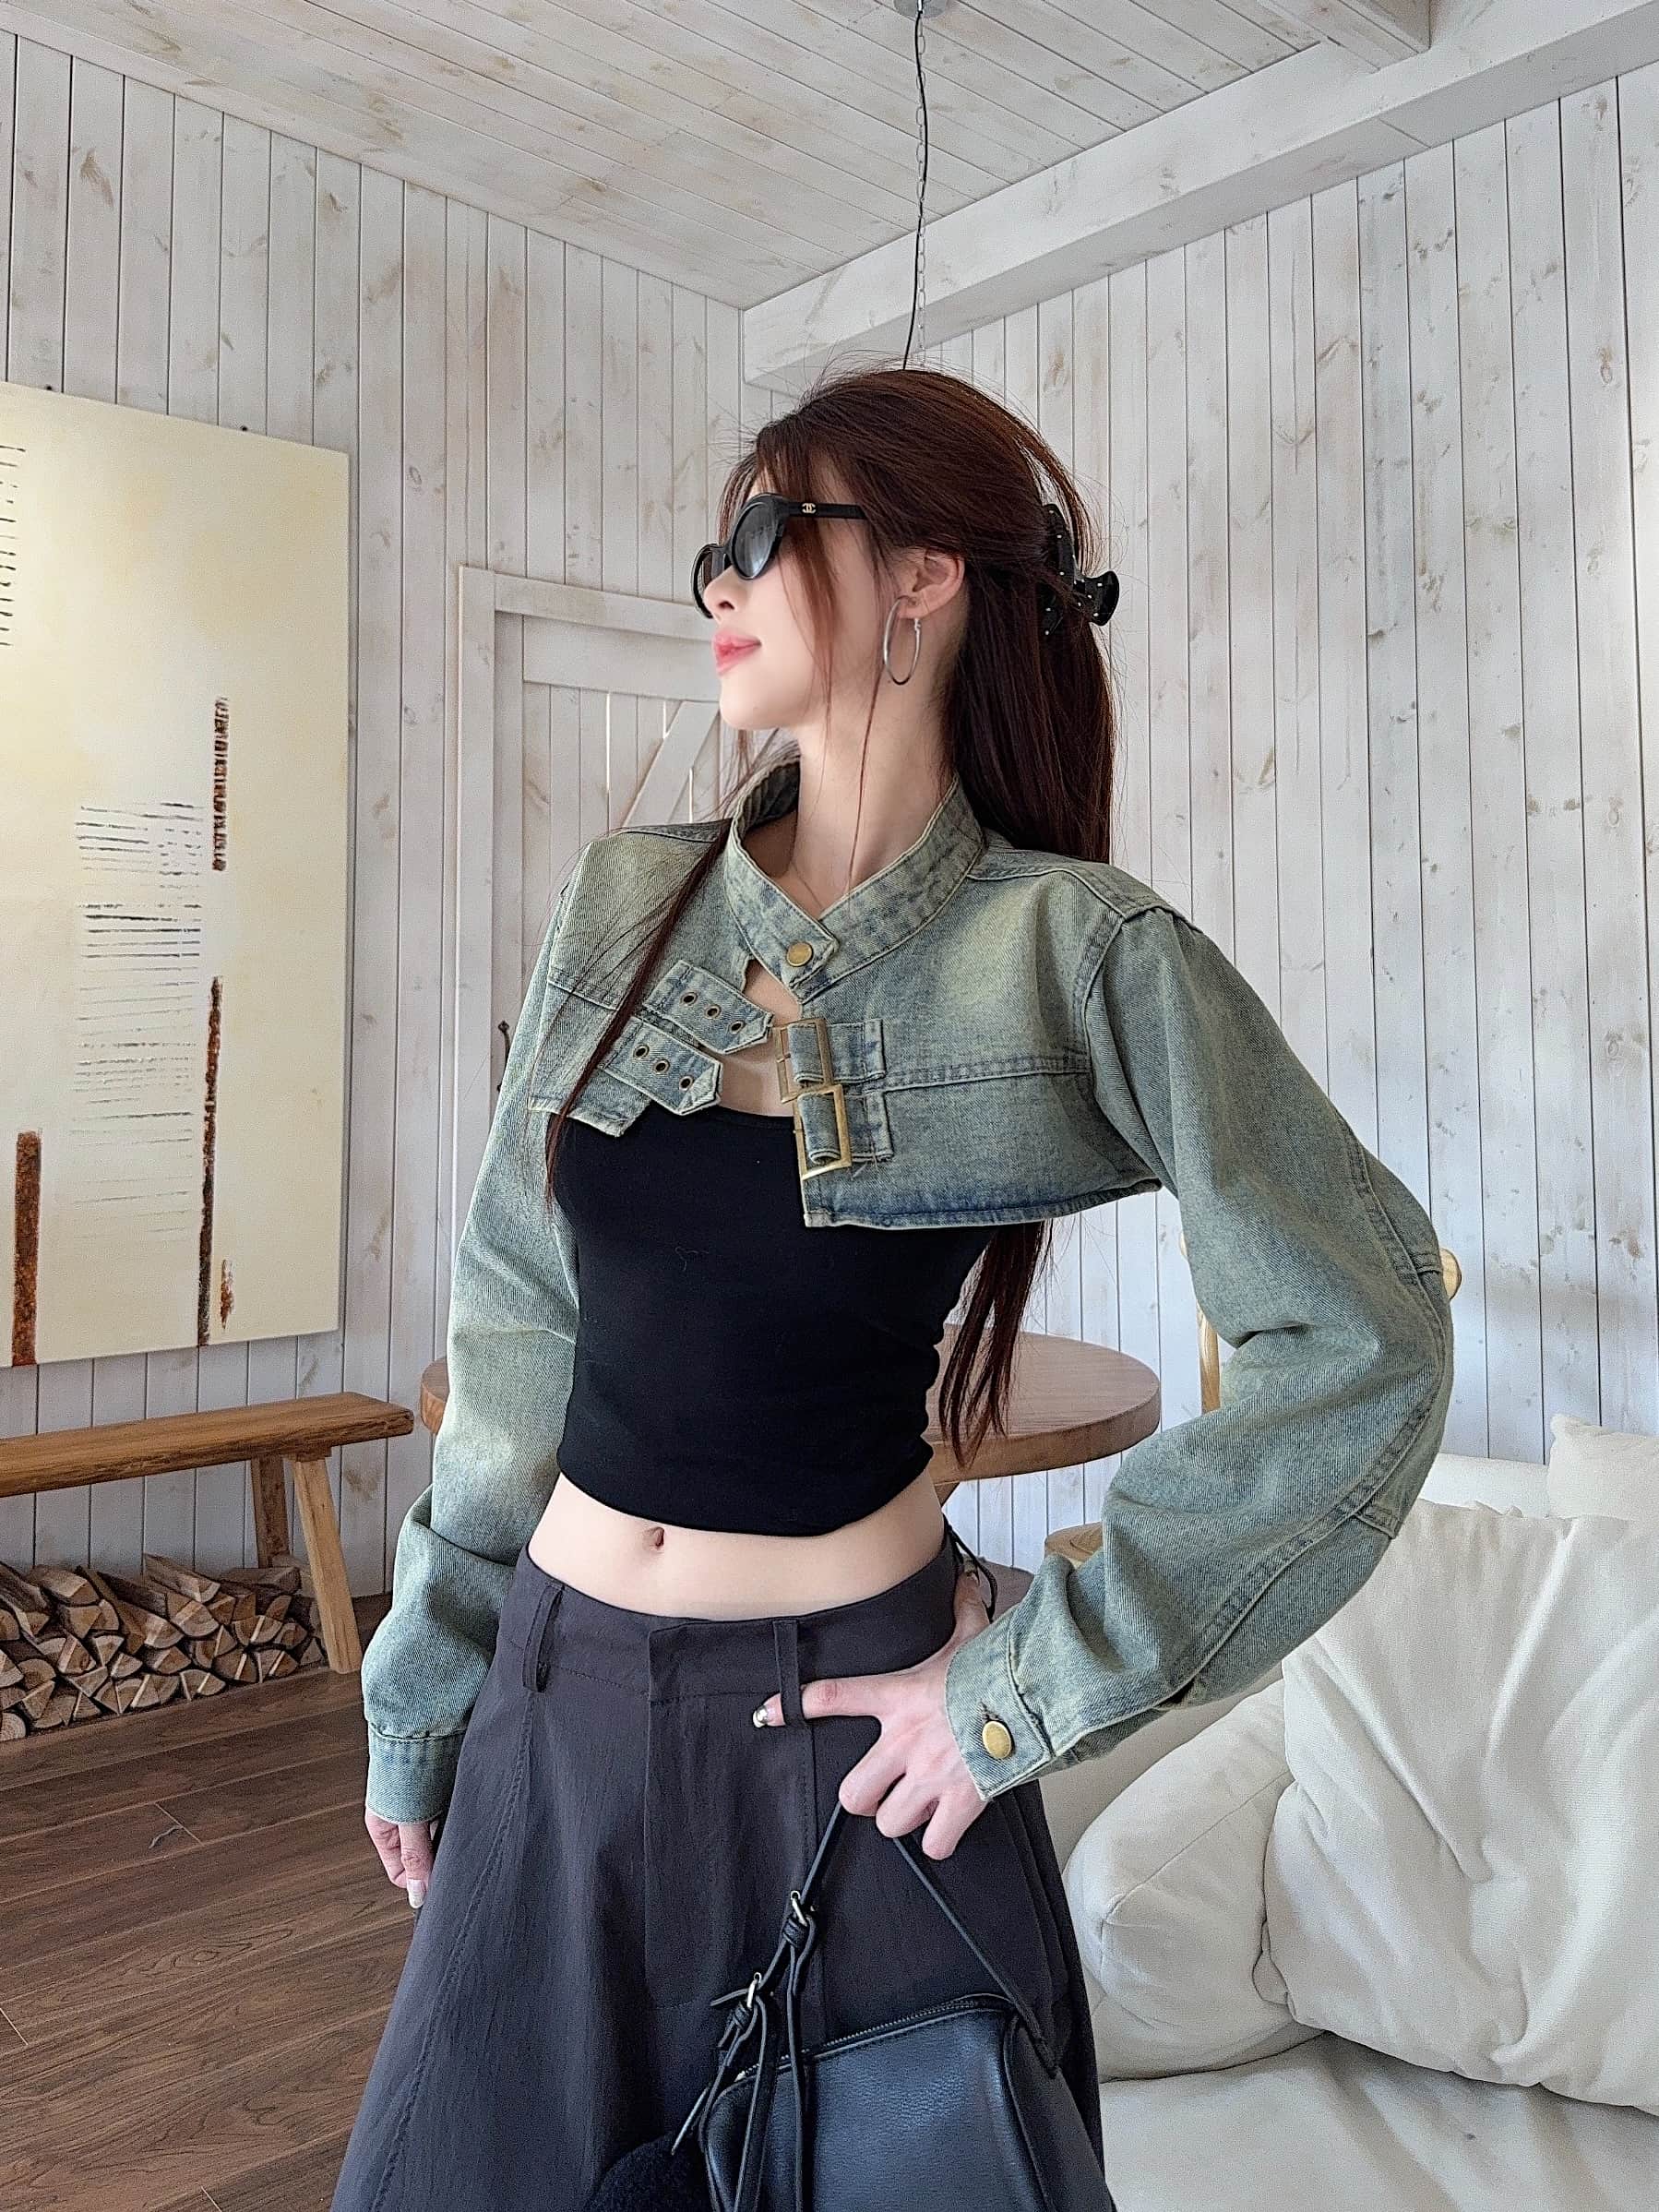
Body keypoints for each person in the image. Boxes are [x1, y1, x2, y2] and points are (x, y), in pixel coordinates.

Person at [329, 365, 1453, 2212]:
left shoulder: (1075, 950)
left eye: (764, 531)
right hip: (559, 1705)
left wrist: (1025, 1683)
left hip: (850, 1754)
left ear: (921, 574)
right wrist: (433, 1673)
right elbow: (519, 1311)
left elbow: (1362, 1329)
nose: (719, 578)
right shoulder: (623, 901)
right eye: (715, 548)